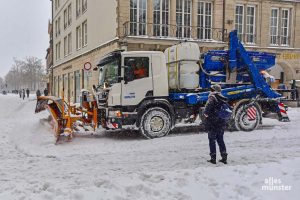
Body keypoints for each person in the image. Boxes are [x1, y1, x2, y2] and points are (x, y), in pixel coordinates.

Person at [203, 84, 228, 164]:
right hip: (221, 122)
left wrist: (206, 115)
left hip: (213, 122)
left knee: (212, 140)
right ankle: (224, 157)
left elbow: (206, 110)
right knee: (220, 140)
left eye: (211, 89)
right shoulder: (223, 98)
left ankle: (213, 158)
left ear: (213, 90)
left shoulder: (212, 97)